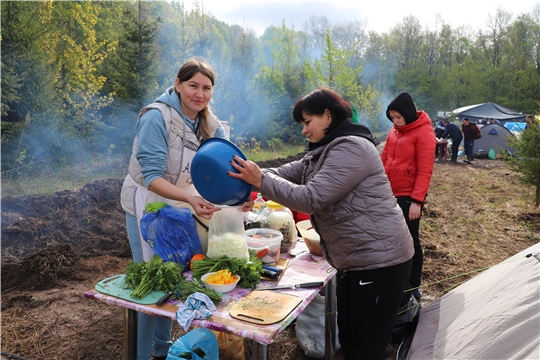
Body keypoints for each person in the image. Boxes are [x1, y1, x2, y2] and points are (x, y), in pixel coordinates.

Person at [228, 88, 414, 360]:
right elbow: (281, 173)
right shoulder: (322, 151)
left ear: (327, 115)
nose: (304, 130)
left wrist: (260, 181)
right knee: (350, 339)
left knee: (367, 348)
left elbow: (312, 198)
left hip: (380, 261)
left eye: (307, 121)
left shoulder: (352, 147)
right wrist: (249, 182)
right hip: (354, 260)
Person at [120, 59, 252, 360]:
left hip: (179, 203)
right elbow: (152, 177)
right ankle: (141, 355)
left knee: (172, 275)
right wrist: (190, 199)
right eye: (193, 85)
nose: (199, 94)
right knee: (150, 282)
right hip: (147, 203)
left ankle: (161, 351)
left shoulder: (209, 122)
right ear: (178, 84)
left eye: (206, 88)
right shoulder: (157, 117)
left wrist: (241, 196)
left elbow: (225, 169)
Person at [381, 91, 435, 300]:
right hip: (389, 193)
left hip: (408, 196)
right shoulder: (394, 132)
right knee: (391, 236)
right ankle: (395, 276)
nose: (395, 121)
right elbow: (384, 159)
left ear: (408, 114)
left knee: (410, 239)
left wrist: (417, 202)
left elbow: (425, 170)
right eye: (392, 118)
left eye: (398, 117)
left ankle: (413, 284)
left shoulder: (424, 133)